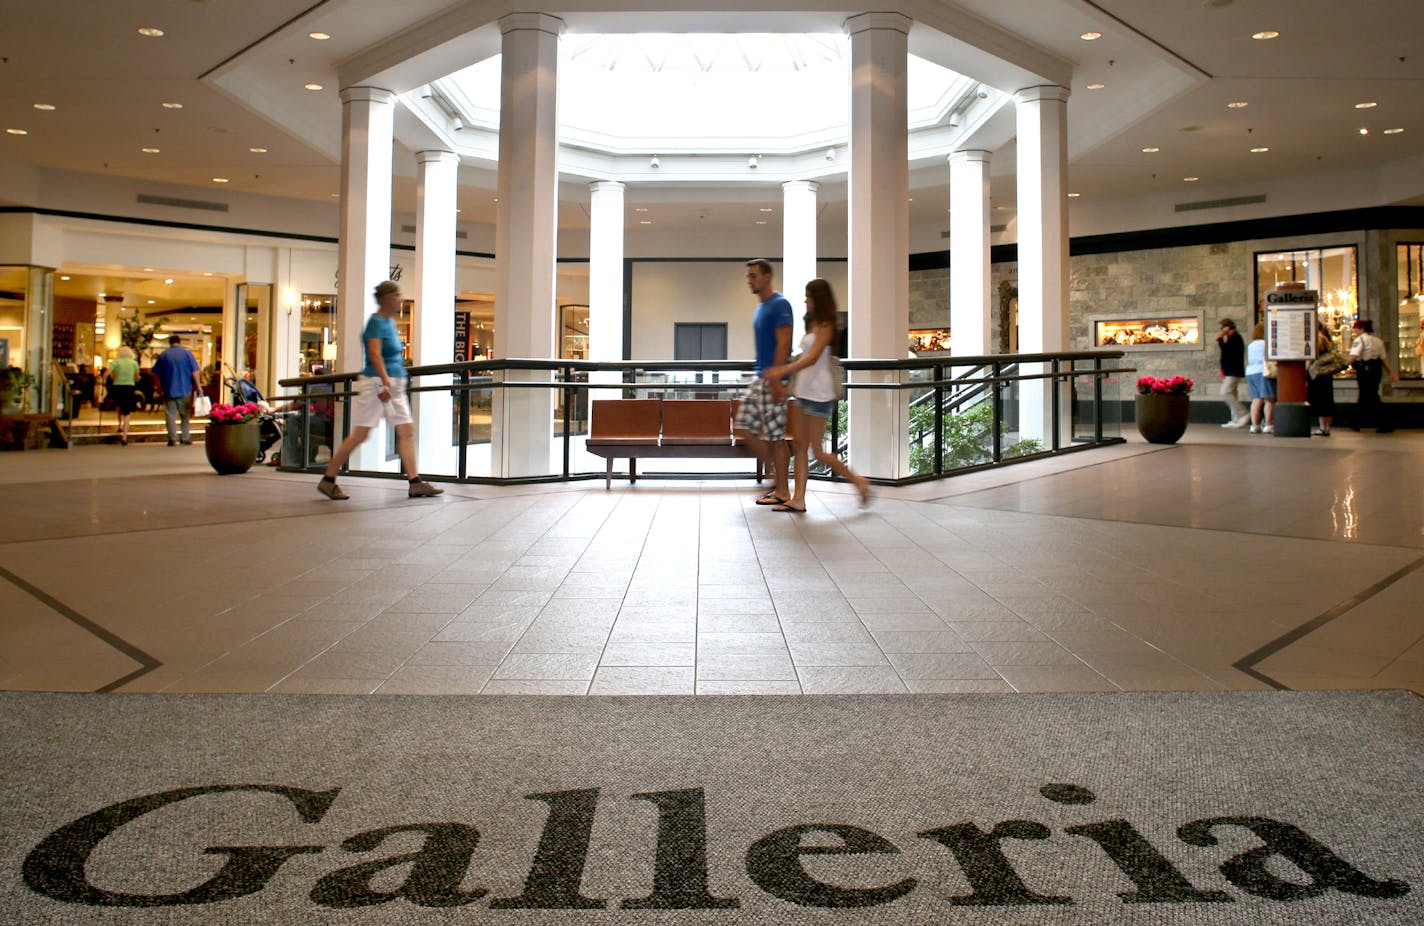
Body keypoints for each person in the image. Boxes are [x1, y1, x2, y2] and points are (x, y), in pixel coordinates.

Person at [318, 280, 443, 500]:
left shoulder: (389, 322)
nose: (401, 299)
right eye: (398, 295)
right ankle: (328, 479)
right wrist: (385, 382)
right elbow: (374, 354)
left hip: (392, 384)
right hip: (378, 384)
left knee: (406, 431)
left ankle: (415, 482)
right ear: (388, 298)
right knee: (360, 434)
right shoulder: (375, 323)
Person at [763, 279, 870, 511]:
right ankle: (798, 499)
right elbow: (804, 356)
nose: (805, 300)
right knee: (800, 446)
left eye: (808, 296)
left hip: (819, 393)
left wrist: (782, 370)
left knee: (818, 451)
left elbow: (812, 358)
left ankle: (859, 482)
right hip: (803, 390)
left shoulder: (827, 324)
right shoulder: (811, 322)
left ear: (818, 298)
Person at [733, 258, 794, 507]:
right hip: (761, 377)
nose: (750, 280)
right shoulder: (761, 308)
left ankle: (783, 490)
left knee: (775, 437)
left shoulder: (780, 304)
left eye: (754, 276)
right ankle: (775, 478)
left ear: (767, 276)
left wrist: (778, 379)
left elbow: (784, 342)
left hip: (774, 379)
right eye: (748, 276)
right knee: (745, 426)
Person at [1348, 318, 1399, 432]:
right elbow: (1384, 359)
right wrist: (1391, 373)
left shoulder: (1359, 340)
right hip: (1376, 370)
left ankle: (1384, 422)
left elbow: (1353, 356)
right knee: (1370, 395)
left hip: (1364, 370)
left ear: (1361, 329)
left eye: (1355, 329)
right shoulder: (1378, 341)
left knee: (1368, 396)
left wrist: (1341, 365)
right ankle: (1356, 421)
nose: (1354, 331)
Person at [152, 335, 201, 445]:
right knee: (185, 415)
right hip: (185, 389)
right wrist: (198, 386)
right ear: (179, 342)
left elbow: (155, 373)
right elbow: (195, 372)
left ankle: (172, 438)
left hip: (168, 389)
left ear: (170, 343)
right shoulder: (188, 354)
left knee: (170, 415)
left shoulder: (164, 355)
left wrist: (158, 387)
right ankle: (185, 437)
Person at [1307, 328, 1343, 436]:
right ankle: (1327, 427)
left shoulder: (1315, 348)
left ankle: (1322, 427)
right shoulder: (1328, 348)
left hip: (1317, 378)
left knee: (1320, 403)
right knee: (1327, 401)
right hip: (1326, 377)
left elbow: (1309, 363)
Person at [1215, 317, 1249, 427]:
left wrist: (1220, 338)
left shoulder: (1235, 338)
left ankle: (1243, 413)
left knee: (1225, 392)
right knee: (1232, 393)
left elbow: (1226, 351)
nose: (1220, 330)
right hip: (1230, 371)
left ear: (1227, 327)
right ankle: (1235, 419)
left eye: (1222, 328)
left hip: (1233, 371)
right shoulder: (1232, 338)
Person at [1244, 321, 1275, 434]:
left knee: (1256, 399)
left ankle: (1255, 425)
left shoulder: (1251, 345)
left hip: (1251, 372)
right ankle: (1268, 425)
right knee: (1269, 399)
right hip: (1263, 371)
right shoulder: (1266, 343)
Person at [107, 346, 140, 446]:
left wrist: (106, 379)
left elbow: (108, 373)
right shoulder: (134, 363)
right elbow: (137, 377)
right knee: (127, 412)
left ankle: (119, 425)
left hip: (117, 387)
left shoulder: (115, 362)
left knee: (119, 406)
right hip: (129, 387)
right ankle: (125, 436)